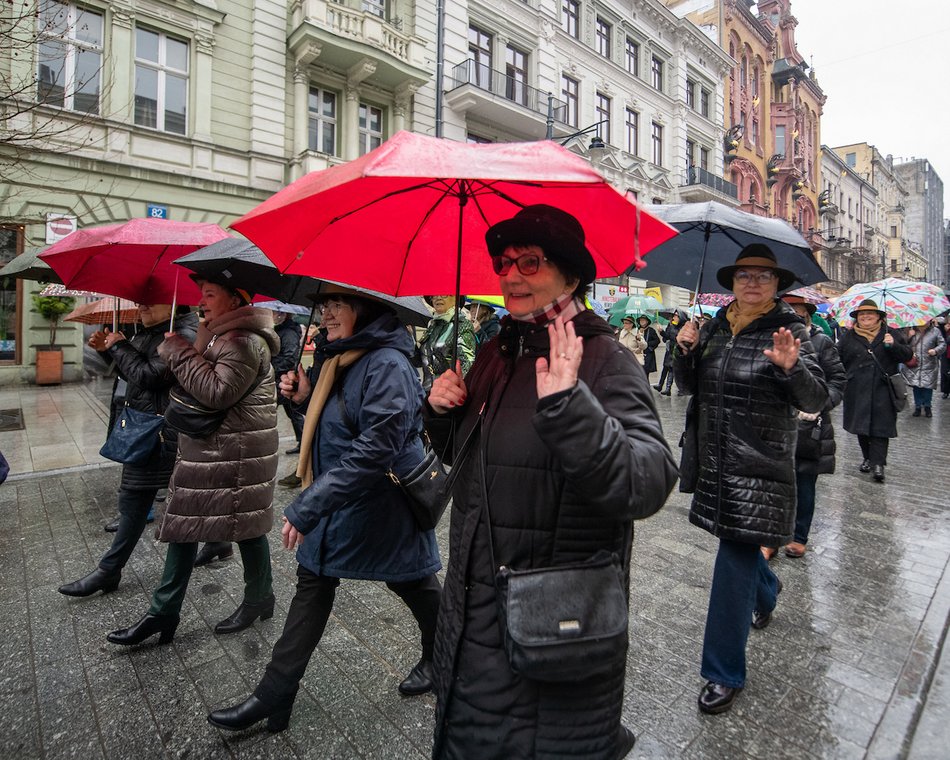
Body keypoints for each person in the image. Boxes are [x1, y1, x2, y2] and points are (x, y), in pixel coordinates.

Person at [425, 204, 678, 758]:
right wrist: (443, 414)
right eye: (503, 263)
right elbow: (471, 463)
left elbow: (648, 481)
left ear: (570, 274)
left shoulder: (605, 359)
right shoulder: (496, 352)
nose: (511, 275)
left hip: (551, 621)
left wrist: (571, 410)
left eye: (530, 263)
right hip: (472, 608)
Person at [207, 285, 442, 733]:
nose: (327, 314)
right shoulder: (339, 357)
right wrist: (303, 398)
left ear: (365, 308)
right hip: (341, 498)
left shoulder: (388, 364)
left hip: (384, 504)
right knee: (313, 583)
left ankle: (442, 656)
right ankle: (275, 694)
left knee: (414, 584)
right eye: (326, 304)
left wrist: (309, 505)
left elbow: (376, 448)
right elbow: (337, 423)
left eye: (338, 305)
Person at [673, 244, 827, 715]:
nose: (753, 282)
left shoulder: (791, 330)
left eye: (763, 276)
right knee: (738, 549)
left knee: (732, 558)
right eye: (744, 275)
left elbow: (816, 398)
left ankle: (722, 672)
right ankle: (768, 589)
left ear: (777, 284)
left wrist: (792, 368)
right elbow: (690, 387)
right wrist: (685, 350)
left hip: (760, 464)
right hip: (715, 460)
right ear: (733, 282)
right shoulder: (716, 328)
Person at [106, 276, 280, 646]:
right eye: (202, 294)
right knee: (192, 523)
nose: (201, 301)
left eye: (210, 294)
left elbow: (217, 392)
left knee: (241, 524)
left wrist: (180, 351)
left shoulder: (243, 342)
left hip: (235, 451)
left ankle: (253, 597)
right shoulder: (221, 335)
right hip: (213, 447)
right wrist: (196, 346)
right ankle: (166, 611)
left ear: (235, 301)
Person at [58, 304, 198, 597]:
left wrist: (119, 346)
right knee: (134, 498)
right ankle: (110, 570)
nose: (142, 305)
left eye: (151, 300)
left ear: (171, 302)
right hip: (144, 426)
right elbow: (129, 372)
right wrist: (107, 350)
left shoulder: (182, 334)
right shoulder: (149, 331)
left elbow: (150, 376)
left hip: (161, 431)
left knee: (157, 502)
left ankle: (112, 572)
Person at [779, 295, 847, 559]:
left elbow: (838, 380)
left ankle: (798, 535)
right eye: (787, 310)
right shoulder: (771, 338)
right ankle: (772, 537)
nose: (792, 315)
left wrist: (819, 404)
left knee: (804, 483)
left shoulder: (821, 341)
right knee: (774, 483)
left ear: (807, 313)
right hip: (776, 424)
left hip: (809, 427)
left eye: (797, 311)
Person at [837, 300, 912, 483]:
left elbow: (907, 356)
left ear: (878, 316)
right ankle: (867, 458)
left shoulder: (890, 333)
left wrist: (893, 345)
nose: (865, 317)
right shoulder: (848, 336)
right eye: (861, 314)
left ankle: (878, 464)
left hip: (883, 389)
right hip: (857, 389)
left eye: (870, 313)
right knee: (861, 427)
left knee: (881, 427)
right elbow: (837, 359)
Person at [273, 310, 308, 489]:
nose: (275, 314)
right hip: (282, 379)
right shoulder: (281, 331)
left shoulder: (288, 333)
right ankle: (303, 443)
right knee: (293, 413)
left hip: (283, 378)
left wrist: (271, 367)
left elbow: (288, 357)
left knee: (288, 412)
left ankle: (303, 445)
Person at [418, 295, 476, 392]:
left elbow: (467, 365)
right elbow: (420, 360)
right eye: (434, 295)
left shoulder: (461, 325)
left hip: (446, 393)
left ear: (456, 299)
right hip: (426, 392)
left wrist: (451, 390)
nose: (438, 297)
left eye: (444, 294)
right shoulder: (432, 325)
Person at [900, 319, 946, 417]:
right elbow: (902, 346)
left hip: (929, 364)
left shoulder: (935, 331)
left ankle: (927, 406)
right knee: (916, 386)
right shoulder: (910, 330)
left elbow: (942, 344)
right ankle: (918, 406)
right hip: (914, 363)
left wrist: (935, 350)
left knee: (928, 386)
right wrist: (909, 337)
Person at [654, 309, 687, 396]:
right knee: (665, 367)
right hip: (670, 350)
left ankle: (668, 388)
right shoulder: (672, 326)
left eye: (676, 316)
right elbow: (667, 336)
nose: (674, 317)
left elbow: (678, 339)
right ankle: (660, 385)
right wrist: (661, 332)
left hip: (677, 352)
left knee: (671, 369)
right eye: (674, 315)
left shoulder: (683, 328)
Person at [637, 314, 660, 382]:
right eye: (641, 320)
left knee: (645, 372)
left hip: (648, 353)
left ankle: (646, 386)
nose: (642, 321)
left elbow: (657, 341)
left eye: (643, 320)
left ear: (647, 322)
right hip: (638, 353)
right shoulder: (637, 330)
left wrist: (648, 345)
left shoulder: (651, 330)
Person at [940, 316, 950, 399]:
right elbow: (942, 342)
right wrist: (945, 331)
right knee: (945, 373)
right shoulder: (943, 327)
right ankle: (945, 391)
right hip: (946, 354)